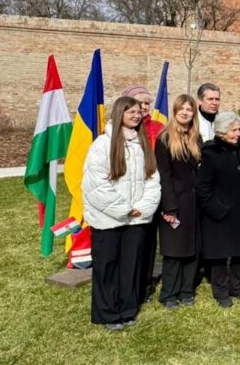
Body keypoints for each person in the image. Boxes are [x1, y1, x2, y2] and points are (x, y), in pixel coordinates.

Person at [82, 96, 161, 331]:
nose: (136, 116)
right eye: (131, 112)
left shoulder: (142, 143)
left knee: (131, 266)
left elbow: (152, 179)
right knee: (108, 267)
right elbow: (95, 184)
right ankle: (108, 313)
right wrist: (123, 209)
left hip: (136, 219)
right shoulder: (102, 144)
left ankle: (127, 309)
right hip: (108, 219)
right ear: (119, 114)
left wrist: (143, 207)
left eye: (138, 112)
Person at [195, 112, 240, 308]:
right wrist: (218, 209)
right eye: (234, 130)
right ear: (222, 132)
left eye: (239, 130)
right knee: (220, 255)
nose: (238, 134)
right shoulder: (211, 153)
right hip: (221, 214)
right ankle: (220, 291)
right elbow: (203, 188)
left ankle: (236, 287)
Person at [154, 95, 202, 309]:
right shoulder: (164, 139)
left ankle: (186, 290)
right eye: (181, 109)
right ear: (175, 111)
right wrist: (169, 206)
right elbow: (164, 175)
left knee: (192, 247)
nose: (185, 112)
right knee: (174, 250)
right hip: (174, 201)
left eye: (189, 109)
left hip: (194, 202)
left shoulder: (196, 139)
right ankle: (169, 293)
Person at [121, 85, 164, 304]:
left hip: (152, 191)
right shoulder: (122, 129)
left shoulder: (158, 127)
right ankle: (129, 284)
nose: (145, 107)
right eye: (140, 103)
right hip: (128, 195)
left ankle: (145, 284)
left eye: (148, 103)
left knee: (148, 243)